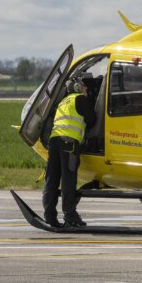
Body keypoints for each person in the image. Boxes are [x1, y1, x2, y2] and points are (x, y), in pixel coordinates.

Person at [42, 74, 99, 228]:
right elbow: (92, 119)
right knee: (68, 179)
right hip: (68, 143)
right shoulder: (80, 99)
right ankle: (70, 215)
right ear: (78, 88)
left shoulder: (63, 102)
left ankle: (49, 215)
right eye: (84, 86)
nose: (87, 88)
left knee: (52, 179)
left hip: (54, 141)